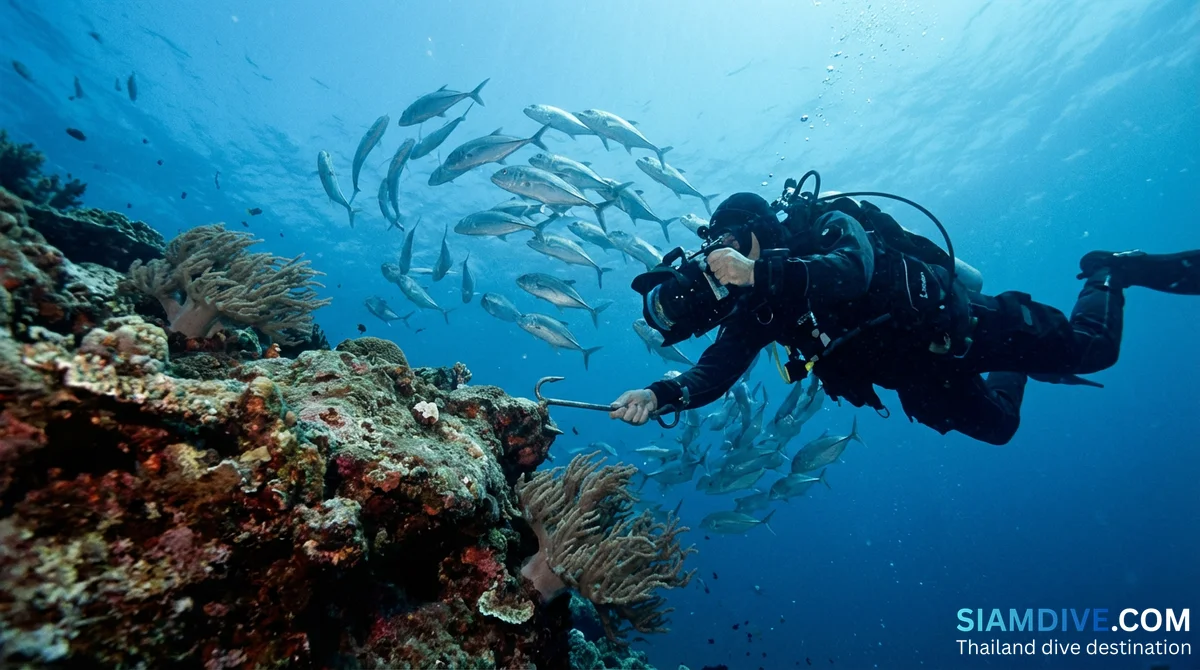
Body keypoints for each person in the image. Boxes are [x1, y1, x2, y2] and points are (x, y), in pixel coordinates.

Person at [609, 190, 1200, 444]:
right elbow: (717, 368)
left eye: (735, 241)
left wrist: (758, 272)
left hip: (964, 324)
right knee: (1001, 428)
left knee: (1095, 350)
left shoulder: (826, 226)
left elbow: (855, 269)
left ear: (761, 228)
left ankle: (1111, 271)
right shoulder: (759, 306)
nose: (726, 259)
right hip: (921, 380)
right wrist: (660, 394)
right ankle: (1022, 362)